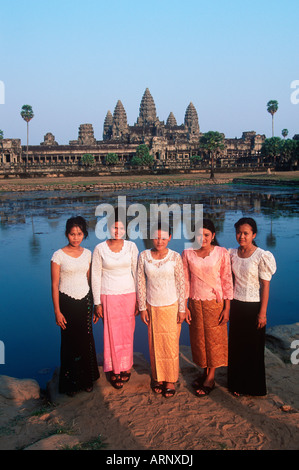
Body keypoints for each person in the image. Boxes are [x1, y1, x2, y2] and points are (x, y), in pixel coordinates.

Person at [182, 219, 233, 396]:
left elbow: (227, 280)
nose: (202, 238)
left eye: (206, 235)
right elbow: (185, 282)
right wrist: (185, 306)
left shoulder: (221, 252)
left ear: (213, 236)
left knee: (214, 339)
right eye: (199, 235)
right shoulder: (187, 253)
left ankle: (211, 377)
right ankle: (204, 371)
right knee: (199, 338)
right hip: (195, 302)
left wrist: (227, 308)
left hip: (215, 303)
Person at [51, 216, 99, 396]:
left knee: (86, 340)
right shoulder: (58, 255)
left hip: (85, 300)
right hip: (66, 302)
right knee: (69, 341)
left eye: (79, 234)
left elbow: (90, 279)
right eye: (72, 234)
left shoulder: (88, 254)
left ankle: (87, 380)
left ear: (84, 235)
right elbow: (54, 284)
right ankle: (70, 383)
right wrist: (57, 311)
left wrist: (95, 305)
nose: (76, 237)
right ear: (66, 234)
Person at [228, 217, 277, 396]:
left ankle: (252, 386)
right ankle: (236, 384)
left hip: (254, 306)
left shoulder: (261, 256)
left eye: (246, 233)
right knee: (236, 345)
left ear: (254, 235)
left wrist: (262, 313)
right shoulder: (231, 253)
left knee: (253, 347)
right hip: (236, 304)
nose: (242, 236)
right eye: (239, 232)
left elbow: (265, 286)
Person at [91, 208, 139, 389]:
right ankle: (114, 369)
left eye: (120, 228)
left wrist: (139, 301)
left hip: (128, 295)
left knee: (127, 333)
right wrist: (97, 302)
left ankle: (125, 366)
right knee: (111, 333)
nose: (117, 231)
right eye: (114, 228)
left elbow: (136, 272)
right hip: (108, 295)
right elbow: (95, 276)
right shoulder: (100, 249)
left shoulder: (131, 247)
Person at [137, 222, 185, 398]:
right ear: (151, 237)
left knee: (171, 343)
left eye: (164, 237)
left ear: (169, 238)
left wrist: (182, 309)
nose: (160, 241)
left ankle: (170, 379)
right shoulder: (144, 256)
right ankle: (157, 377)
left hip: (171, 305)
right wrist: (142, 307)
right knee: (154, 343)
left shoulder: (175, 257)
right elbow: (140, 282)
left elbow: (181, 284)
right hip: (152, 305)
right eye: (157, 237)